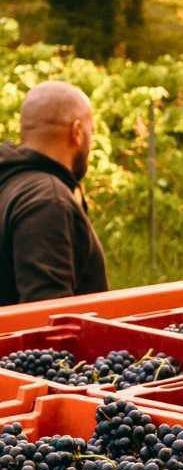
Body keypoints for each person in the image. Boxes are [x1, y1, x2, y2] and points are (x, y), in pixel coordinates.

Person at [0, 81, 108, 305]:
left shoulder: (9, 182)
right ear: (77, 132)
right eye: (91, 131)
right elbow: (47, 312)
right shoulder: (48, 200)